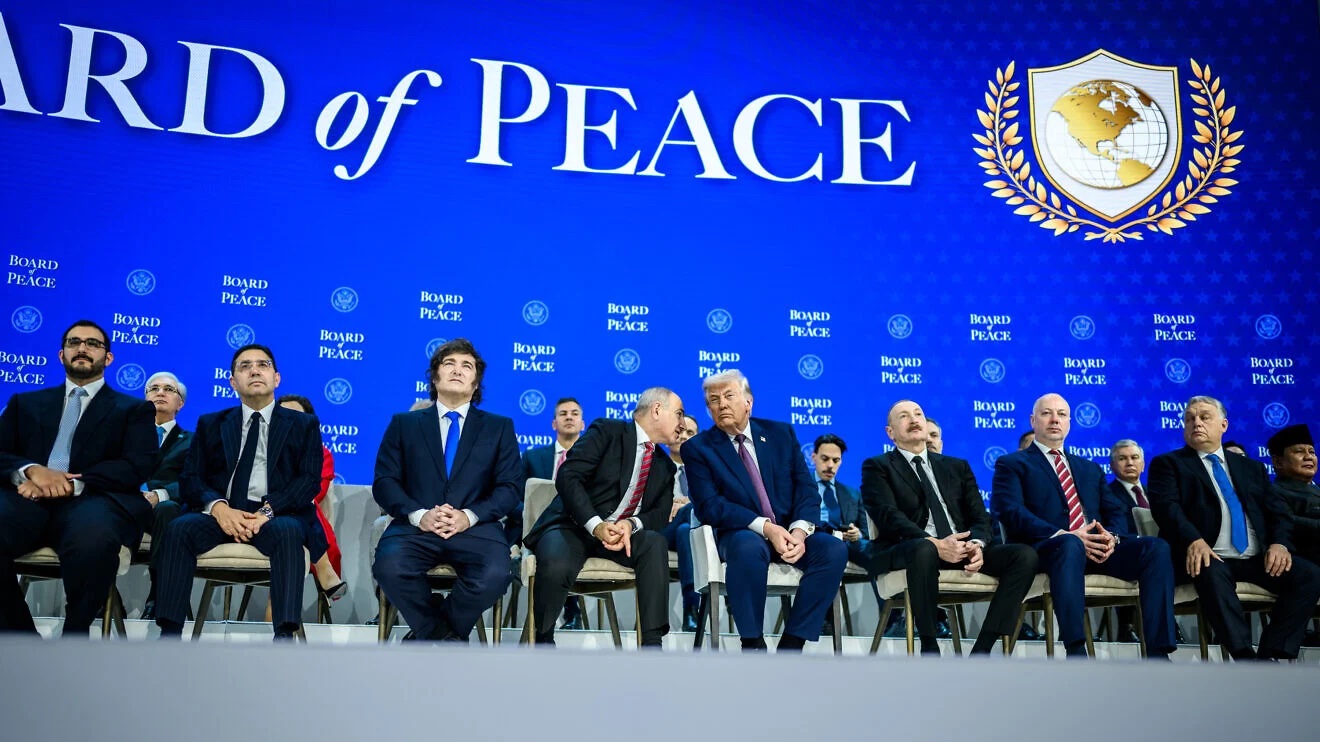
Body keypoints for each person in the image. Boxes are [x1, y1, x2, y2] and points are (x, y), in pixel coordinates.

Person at [154, 344, 326, 640]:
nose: (255, 370)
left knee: (289, 532)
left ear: (277, 378)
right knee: (179, 529)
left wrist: (266, 513)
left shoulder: (303, 424)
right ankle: (169, 634)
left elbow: (308, 480)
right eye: (245, 366)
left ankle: (284, 635)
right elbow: (191, 478)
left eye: (263, 365)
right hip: (220, 515)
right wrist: (219, 508)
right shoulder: (211, 423)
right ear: (233, 382)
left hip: (274, 516)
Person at [0, 320, 156, 636]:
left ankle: (73, 640)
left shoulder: (133, 409)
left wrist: (73, 482)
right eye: (74, 342)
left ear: (108, 358)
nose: (82, 348)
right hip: (26, 500)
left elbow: (138, 464)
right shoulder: (25, 403)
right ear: (61, 355)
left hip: (93, 501)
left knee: (93, 541)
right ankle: (22, 640)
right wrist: (32, 471)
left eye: (92, 343)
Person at [992, 393, 1177, 659]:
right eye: (1046, 413)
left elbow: (1115, 511)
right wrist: (1063, 534)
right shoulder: (1012, 463)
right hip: (1050, 549)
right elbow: (1009, 510)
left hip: (1097, 550)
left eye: (1062, 414)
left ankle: (1158, 651)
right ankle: (1076, 648)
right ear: (1033, 420)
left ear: (1069, 423)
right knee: (1070, 544)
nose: (1055, 419)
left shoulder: (1089, 468)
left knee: (1155, 548)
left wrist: (1111, 536)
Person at [683, 370, 847, 652]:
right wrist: (766, 528)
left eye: (729, 396)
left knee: (833, 550)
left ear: (749, 402)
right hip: (741, 532)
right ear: (708, 409)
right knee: (748, 548)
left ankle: (793, 642)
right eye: (713, 400)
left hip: (789, 531)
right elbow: (710, 506)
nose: (721, 404)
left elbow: (806, 490)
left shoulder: (780, 434)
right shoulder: (698, 448)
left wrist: (799, 530)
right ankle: (752, 642)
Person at [1147, 397, 1320, 660]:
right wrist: (1194, 540)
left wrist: (1279, 544)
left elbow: (1279, 514)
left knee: (1308, 574)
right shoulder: (1169, 464)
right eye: (1189, 419)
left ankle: (1271, 652)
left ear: (1223, 425)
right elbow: (1166, 509)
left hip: (1255, 558)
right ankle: (1243, 655)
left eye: (1204, 417)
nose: (1196, 423)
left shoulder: (1251, 468)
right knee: (1211, 570)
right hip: (1207, 555)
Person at [372, 339, 522, 641]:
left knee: (496, 574)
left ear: (476, 383)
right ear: (434, 376)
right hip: (415, 529)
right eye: (449, 364)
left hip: (476, 529)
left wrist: (469, 516)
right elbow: (385, 482)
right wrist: (418, 515)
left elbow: (510, 488)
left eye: (467, 366)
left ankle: (428, 636)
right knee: (389, 567)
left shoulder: (499, 427)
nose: (458, 370)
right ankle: (445, 636)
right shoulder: (404, 423)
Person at [862, 401, 1038, 655]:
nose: (913, 419)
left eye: (918, 414)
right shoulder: (878, 466)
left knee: (1024, 556)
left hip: (961, 548)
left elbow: (981, 517)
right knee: (924, 549)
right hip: (908, 548)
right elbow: (888, 516)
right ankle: (930, 645)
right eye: (904, 416)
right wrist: (935, 543)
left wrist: (976, 544)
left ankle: (984, 647)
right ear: (890, 433)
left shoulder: (956, 466)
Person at [525, 387, 686, 647]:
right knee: (556, 562)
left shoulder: (665, 466)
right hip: (574, 526)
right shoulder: (608, 431)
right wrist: (596, 524)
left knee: (654, 543)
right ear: (657, 410)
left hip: (621, 539)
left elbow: (658, 514)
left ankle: (652, 644)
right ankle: (542, 640)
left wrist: (631, 524)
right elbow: (569, 477)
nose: (682, 424)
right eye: (678, 414)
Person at [520, 397, 586, 629]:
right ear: (553, 424)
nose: (569, 417)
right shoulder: (532, 457)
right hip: (536, 528)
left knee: (567, 542)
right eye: (563, 413)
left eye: (575, 413)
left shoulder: (594, 460)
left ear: (583, 423)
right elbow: (516, 499)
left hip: (578, 529)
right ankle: (556, 618)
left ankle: (568, 610)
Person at [276, 395, 345, 601]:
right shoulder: (260, 451)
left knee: (297, 510)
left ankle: (278, 621)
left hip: (297, 515)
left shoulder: (320, 454)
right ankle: (325, 572)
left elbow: (314, 492)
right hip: (260, 515)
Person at [140, 371, 193, 620]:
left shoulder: (192, 441)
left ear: (180, 403)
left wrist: (160, 494)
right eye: (154, 388)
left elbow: (195, 481)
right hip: (125, 506)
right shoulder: (125, 436)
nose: (160, 392)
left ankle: (159, 593)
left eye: (168, 389)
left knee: (167, 509)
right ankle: (99, 597)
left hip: (163, 510)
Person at [663, 413, 701, 631]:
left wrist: (688, 502)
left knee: (686, 528)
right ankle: (692, 609)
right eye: (680, 431)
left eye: (690, 433)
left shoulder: (705, 470)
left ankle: (691, 609)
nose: (684, 436)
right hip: (662, 531)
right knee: (686, 520)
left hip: (692, 532)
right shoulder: (655, 465)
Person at [811, 433, 869, 568]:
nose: (830, 465)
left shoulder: (853, 494)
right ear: (814, 457)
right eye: (825, 459)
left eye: (836, 460)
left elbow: (866, 530)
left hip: (848, 546)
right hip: (814, 541)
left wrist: (857, 534)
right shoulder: (799, 486)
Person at [1268, 424, 1319, 566]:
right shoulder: (1274, 491)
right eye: (1299, 452)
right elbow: (1287, 521)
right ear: (1278, 462)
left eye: (1312, 452)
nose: (1308, 457)